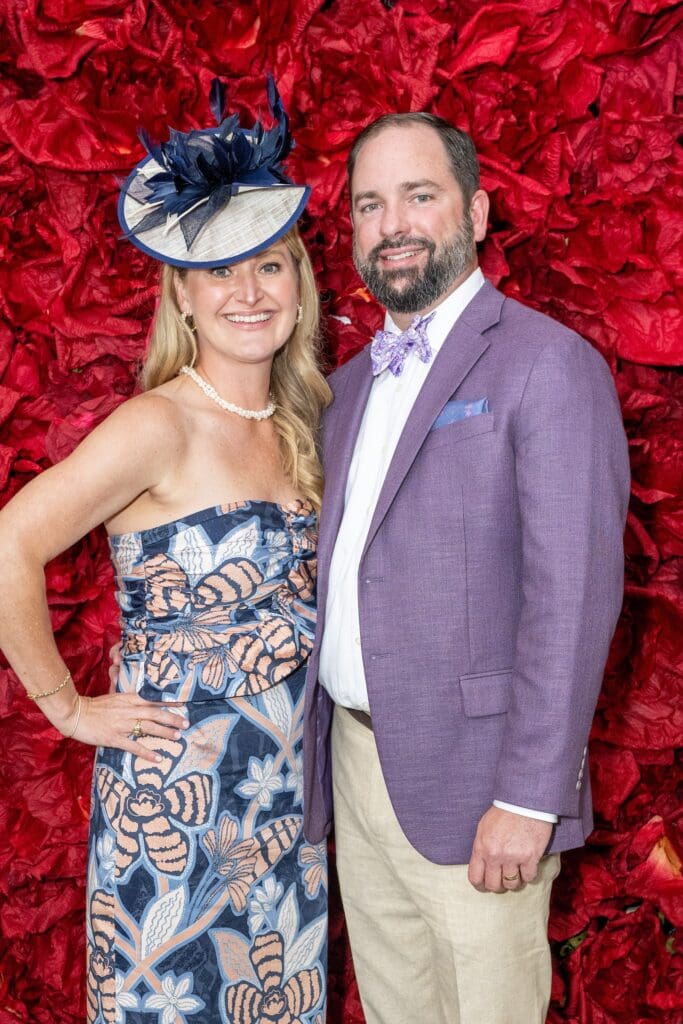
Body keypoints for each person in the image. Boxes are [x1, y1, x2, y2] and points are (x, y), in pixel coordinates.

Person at [0, 80, 330, 1024]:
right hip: (175, 814)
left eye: (268, 265)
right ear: (181, 294)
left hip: (284, 811)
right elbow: (9, 543)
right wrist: (65, 707)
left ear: (298, 283)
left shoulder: (306, 421)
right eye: (218, 270)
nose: (247, 292)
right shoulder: (158, 424)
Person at [303, 113, 630, 1023]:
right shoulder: (345, 388)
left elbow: (572, 599)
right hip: (357, 764)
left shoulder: (547, 365)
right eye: (369, 204)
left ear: (477, 213)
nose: (392, 225)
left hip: (480, 780)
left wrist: (529, 796)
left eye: (419, 195)